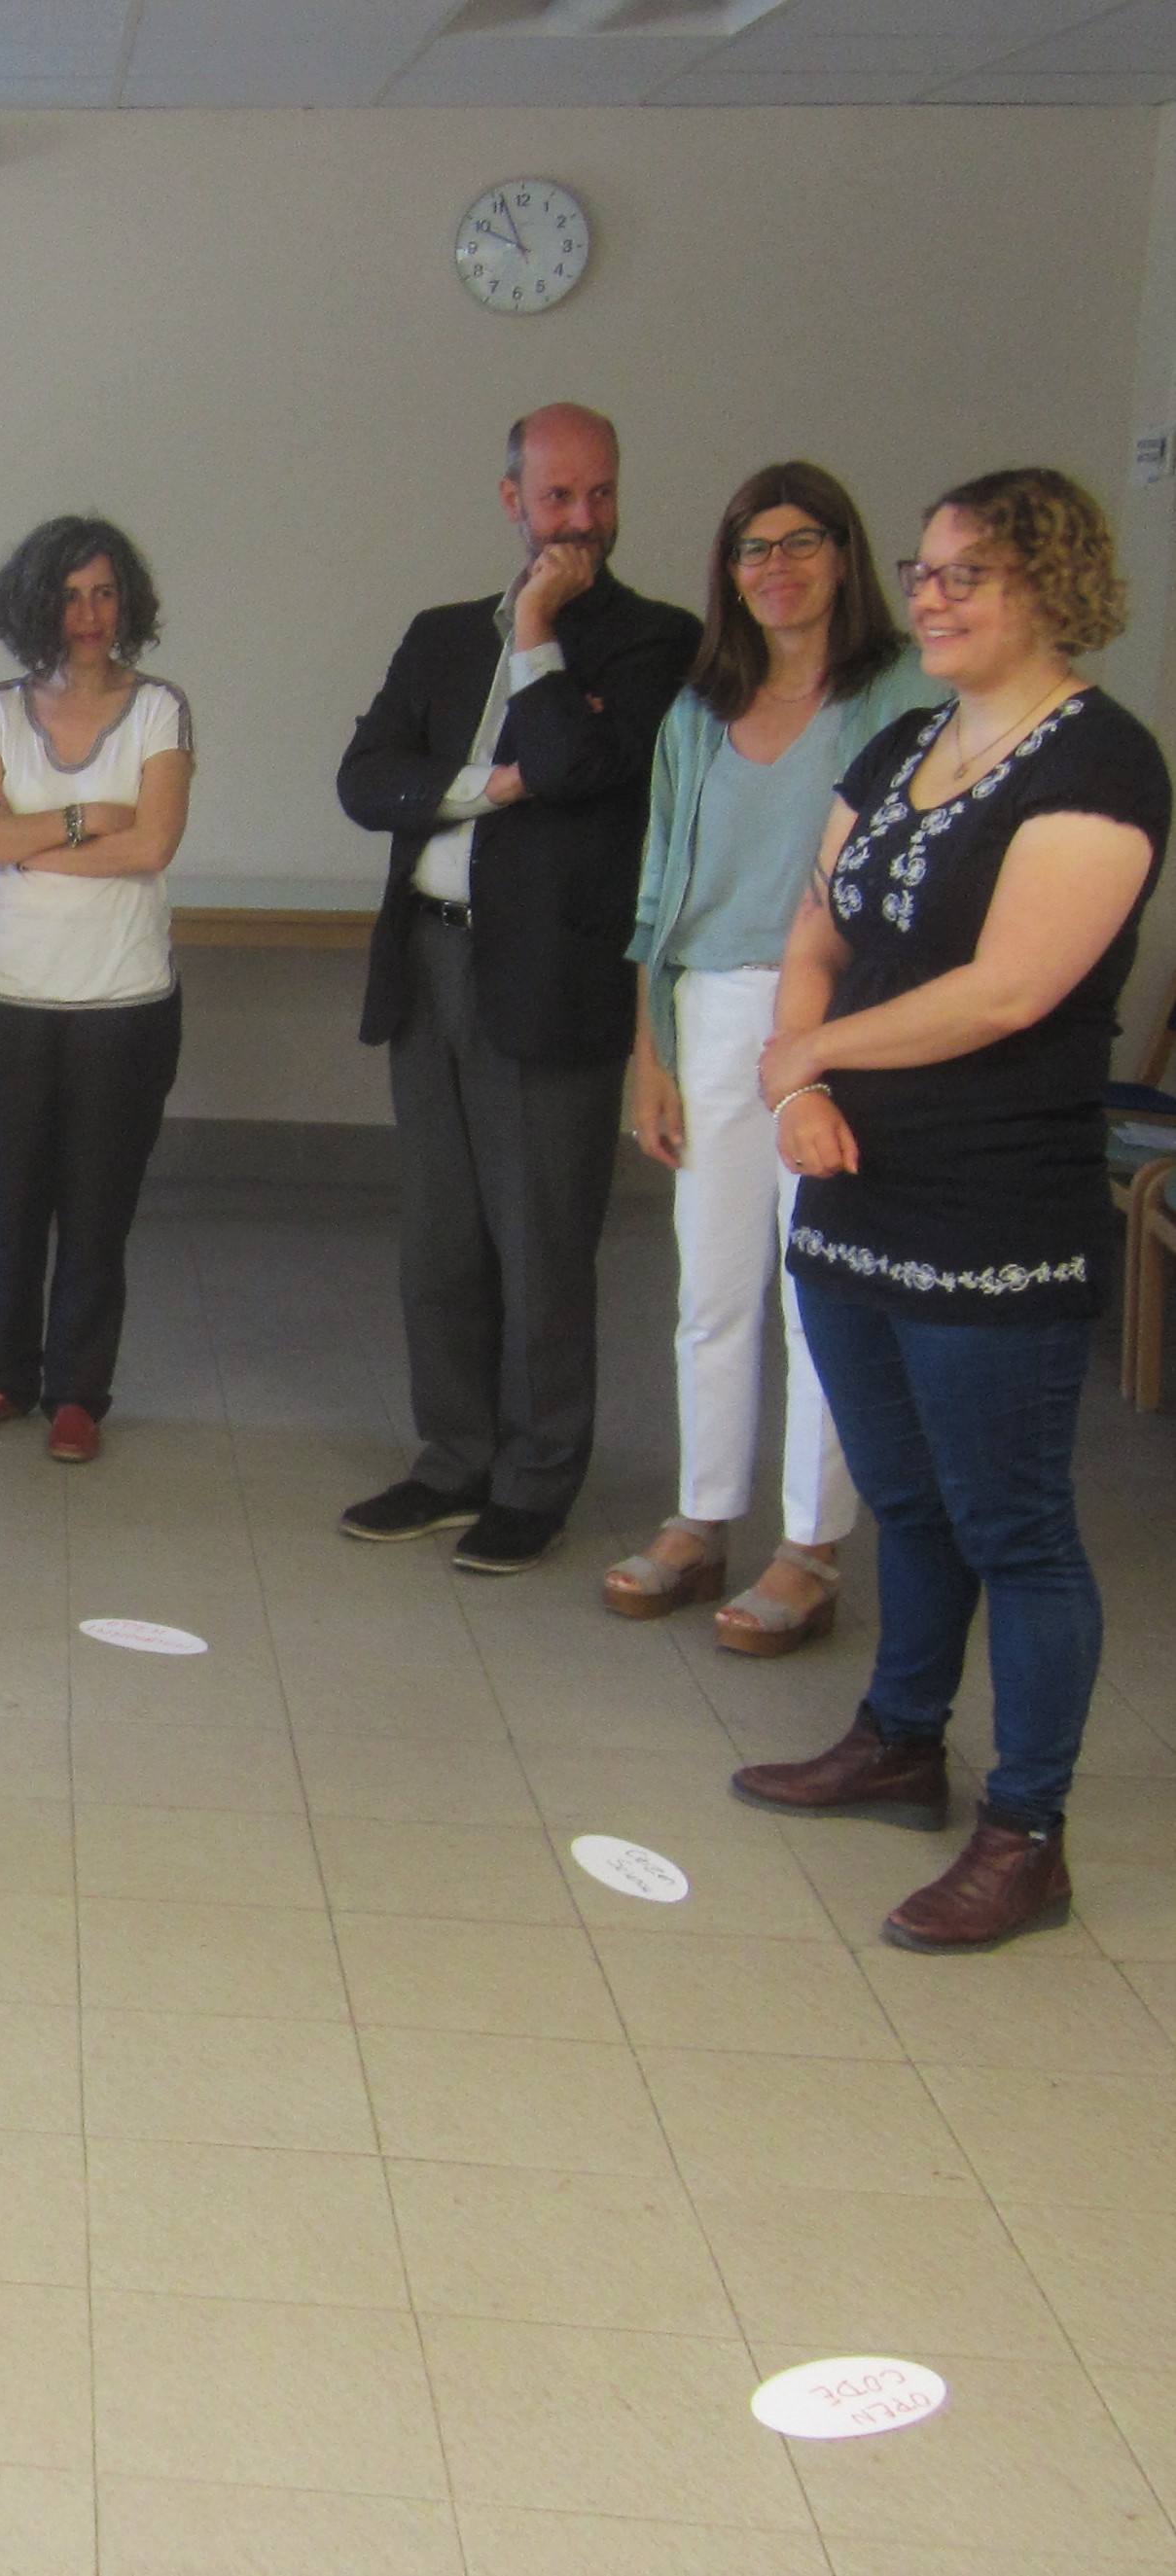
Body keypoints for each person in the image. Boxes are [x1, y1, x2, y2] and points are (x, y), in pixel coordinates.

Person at [732, 468, 1169, 1952]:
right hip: (855, 1176)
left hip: (996, 1199)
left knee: (1014, 1523)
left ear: (1051, 586)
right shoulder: (910, 737)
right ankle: (901, 1739)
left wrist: (817, 1052)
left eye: (967, 573)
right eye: (923, 571)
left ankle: (1027, 1831)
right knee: (905, 1494)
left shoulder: (1102, 763)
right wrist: (799, 1091)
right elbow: (818, 931)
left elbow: (1013, 989)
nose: (930, 594)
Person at [336, 404, 701, 1572]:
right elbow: (365, 778)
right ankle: (451, 1461)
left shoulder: (653, 641)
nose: (580, 520)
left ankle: (536, 1479)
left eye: (598, 495)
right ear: (511, 501)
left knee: (541, 1242)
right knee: (438, 1239)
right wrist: (487, 788)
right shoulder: (441, 634)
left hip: (549, 980)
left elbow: (577, 761)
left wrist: (539, 634)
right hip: (431, 959)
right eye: (556, 499)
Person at [607, 463, 945, 1650]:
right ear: (729, 573)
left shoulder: (907, 693)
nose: (777, 568)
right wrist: (650, 1054)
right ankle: (702, 1518)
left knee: (821, 1297)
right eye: (752, 550)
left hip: (844, 1025)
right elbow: (656, 896)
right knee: (711, 1285)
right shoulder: (699, 710)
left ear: (845, 557)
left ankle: (809, 1546)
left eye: (801, 543)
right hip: (709, 1010)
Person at [0, 515, 194, 1466]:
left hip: (121, 1008)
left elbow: (154, 845)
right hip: (2, 1003)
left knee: (96, 1210)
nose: (87, 614)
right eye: (70, 594)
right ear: (36, 603)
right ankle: (3, 1377)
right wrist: (91, 816)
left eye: (103, 593)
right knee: (15, 1206)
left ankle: (77, 1394)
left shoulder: (160, 709)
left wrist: (31, 836)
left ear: (124, 601)